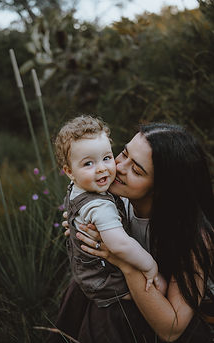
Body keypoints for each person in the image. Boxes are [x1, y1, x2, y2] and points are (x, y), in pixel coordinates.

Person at [48, 122, 214, 343]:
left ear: (163, 188)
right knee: (93, 292)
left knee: (111, 308)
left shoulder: (193, 236)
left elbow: (172, 329)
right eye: (123, 153)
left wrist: (126, 264)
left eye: (136, 169)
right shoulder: (114, 202)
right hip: (138, 295)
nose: (118, 167)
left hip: (181, 325)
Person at [54, 115, 159, 308]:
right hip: (107, 283)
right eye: (88, 163)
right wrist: (149, 264)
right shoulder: (100, 206)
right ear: (69, 172)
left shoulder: (78, 186)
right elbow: (119, 244)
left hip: (88, 279)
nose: (102, 168)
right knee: (152, 292)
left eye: (107, 158)